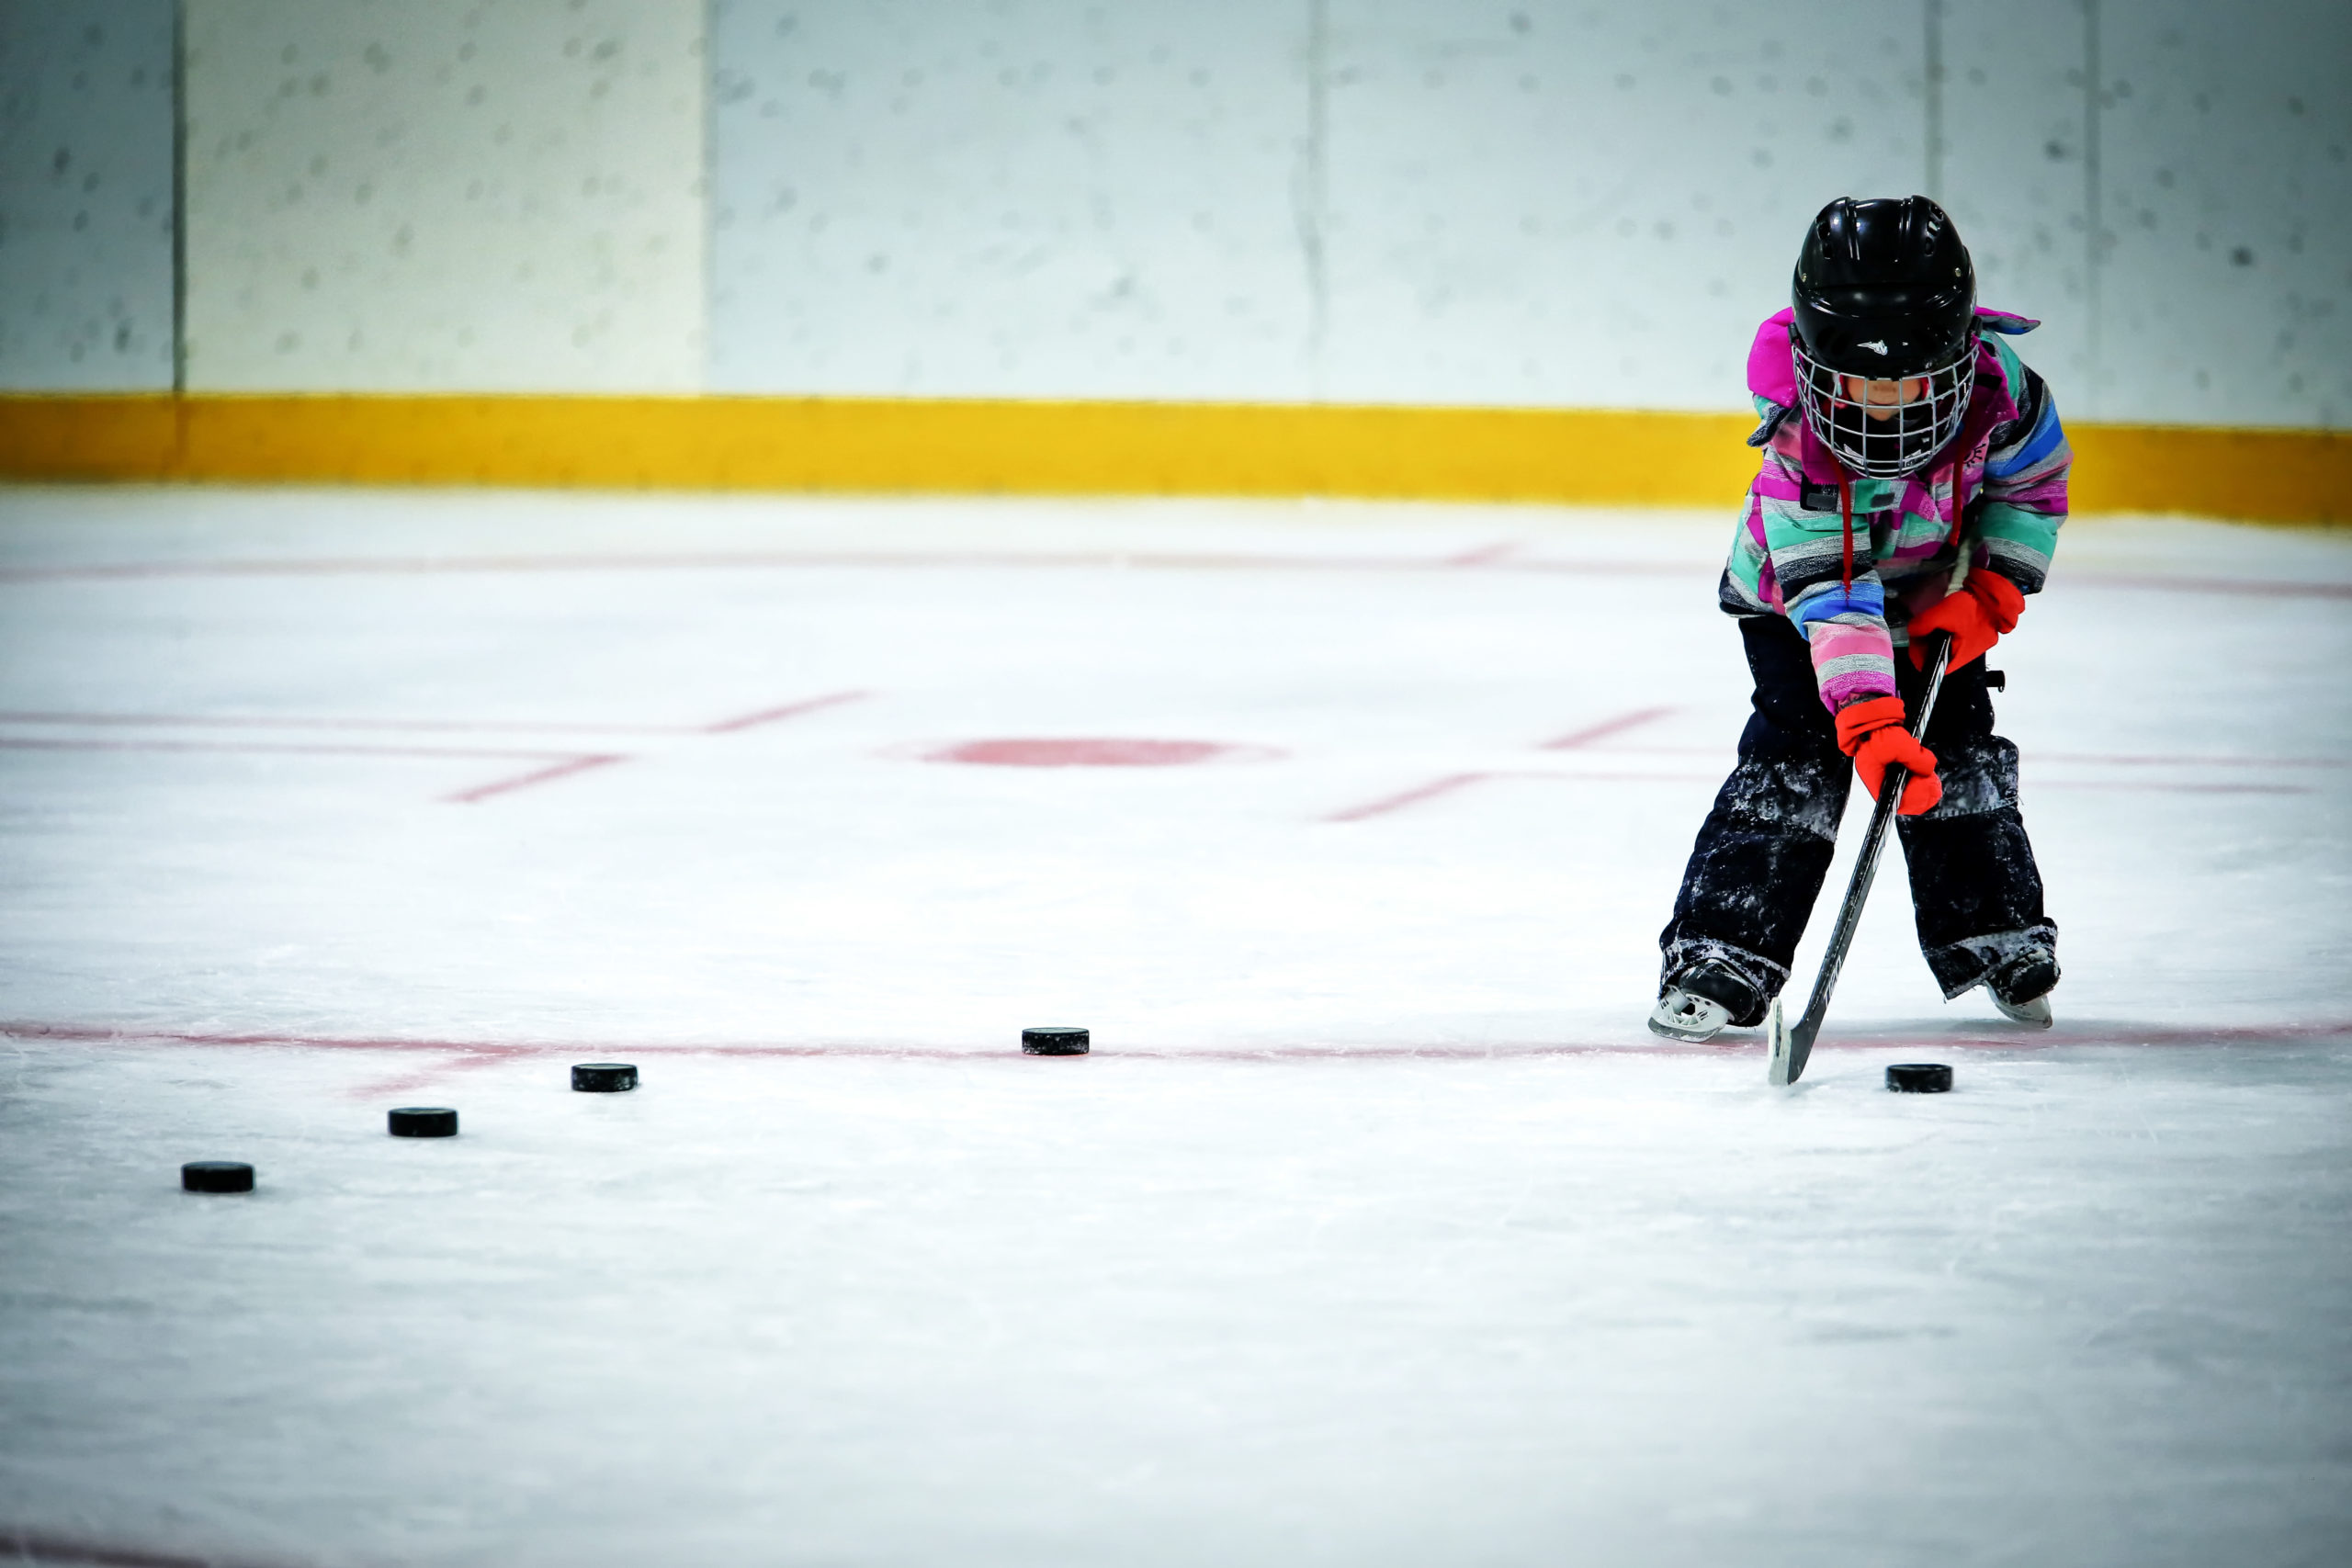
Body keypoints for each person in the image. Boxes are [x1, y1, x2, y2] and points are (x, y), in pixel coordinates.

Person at [1648, 195, 2070, 1043]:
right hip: (1800, 607)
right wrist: (1870, 721)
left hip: (1932, 594)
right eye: (1858, 384)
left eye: (1907, 382)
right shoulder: (1800, 454)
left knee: (1957, 751)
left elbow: (2030, 489)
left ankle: (1993, 930)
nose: (1884, 406)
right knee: (1798, 756)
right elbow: (1836, 597)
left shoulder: (2005, 394)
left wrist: (1994, 588)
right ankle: (1724, 951)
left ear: (1955, 356)